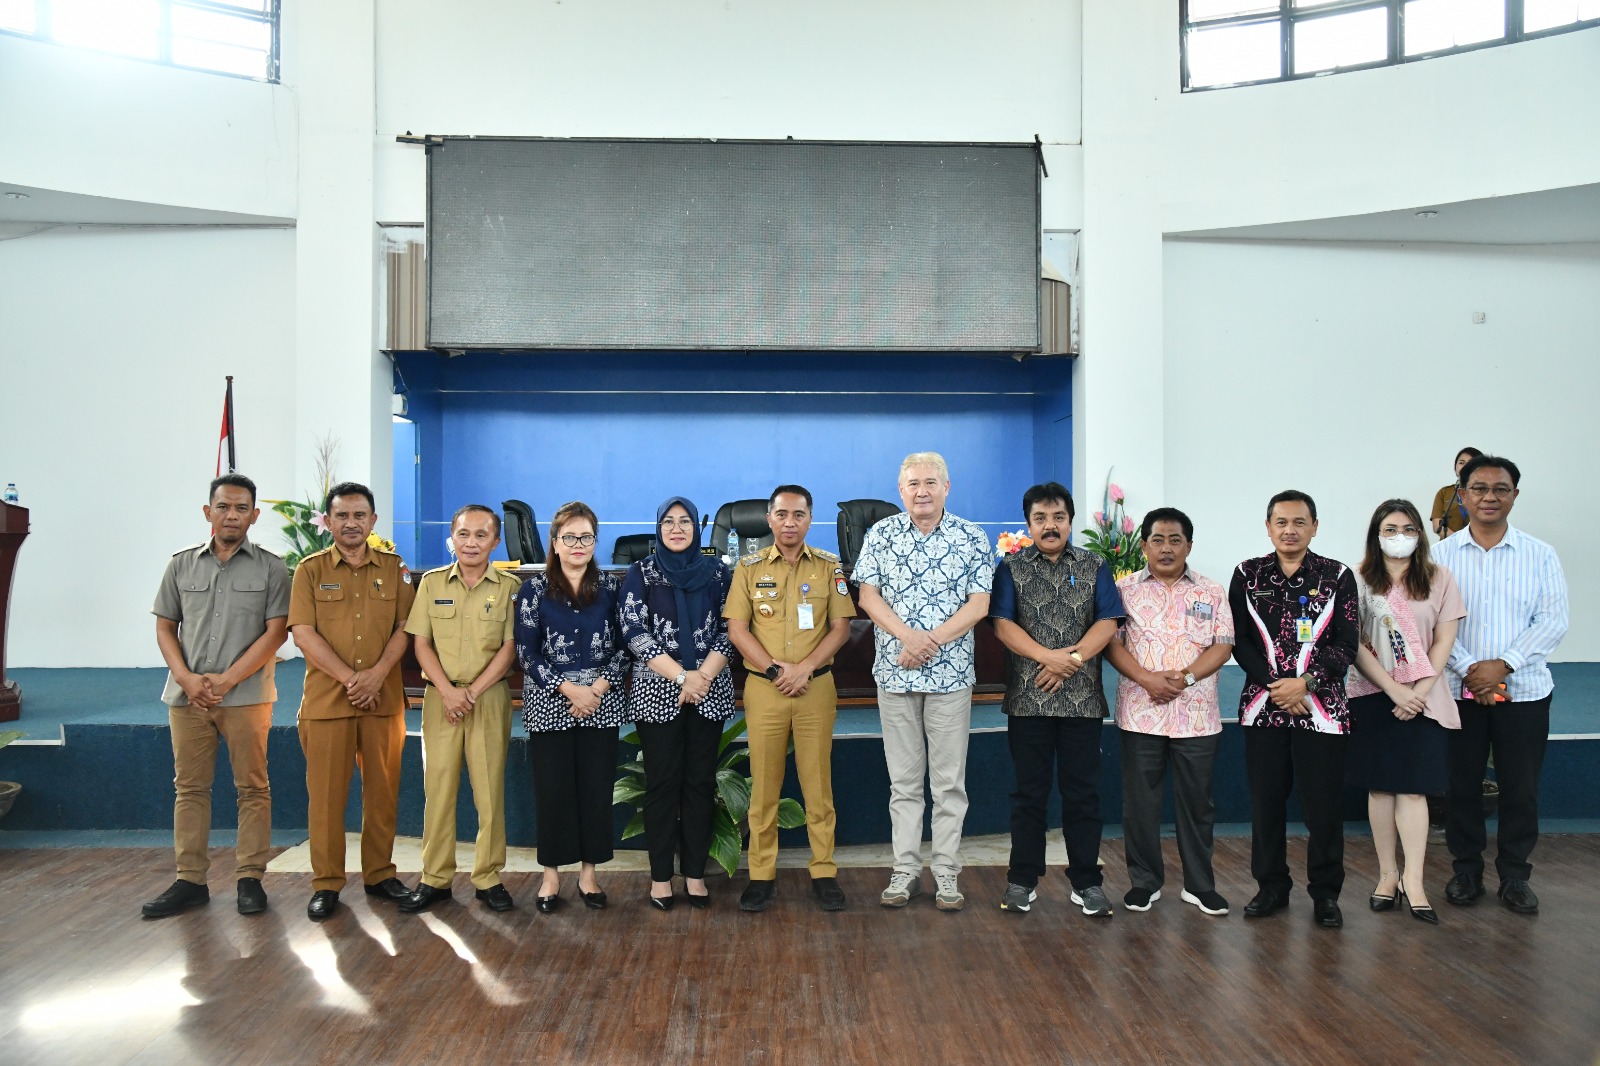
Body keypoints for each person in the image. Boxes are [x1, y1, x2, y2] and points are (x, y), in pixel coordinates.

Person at [142, 474, 290, 919]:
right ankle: (190, 880)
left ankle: (250, 878)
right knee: (189, 788)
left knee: (253, 788)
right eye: (224, 506)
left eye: (241, 508)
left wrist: (226, 681)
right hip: (187, 698)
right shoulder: (181, 565)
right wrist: (186, 678)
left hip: (245, 697)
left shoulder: (272, 567)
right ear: (208, 512)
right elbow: (165, 625)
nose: (232, 515)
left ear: (254, 515)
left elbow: (276, 633)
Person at [854, 452, 994, 911]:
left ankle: (947, 873)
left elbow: (979, 605)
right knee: (905, 782)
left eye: (930, 482)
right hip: (895, 674)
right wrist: (908, 638)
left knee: (949, 782)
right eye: (913, 484)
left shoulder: (971, 536)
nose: (922, 491)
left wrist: (929, 641)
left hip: (951, 677)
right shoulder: (881, 534)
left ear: (947, 487)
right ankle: (905, 870)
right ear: (901, 491)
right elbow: (867, 596)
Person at [1433, 455, 1568, 915]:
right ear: (1463, 494)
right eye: (1479, 488)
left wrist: (1502, 667)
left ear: (1514, 494)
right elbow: (1428, 622)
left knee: (1520, 788)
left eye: (1500, 488)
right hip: (1457, 691)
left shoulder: (1540, 554)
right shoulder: (1439, 556)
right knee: (1462, 786)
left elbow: (1553, 621)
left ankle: (1514, 876)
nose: (1489, 496)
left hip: (1524, 692)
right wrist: (1473, 670)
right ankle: (1466, 871)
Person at [990, 483, 1124, 918]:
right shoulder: (1011, 567)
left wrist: (1075, 658)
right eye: (1041, 519)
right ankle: (1022, 880)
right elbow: (1002, 624)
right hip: (1029, 700)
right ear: (1028, 524)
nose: (1051, 526)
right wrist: (1049, 658)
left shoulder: (1093, 564)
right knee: (1028, 795)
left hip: (1082, 701)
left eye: (1059, 517)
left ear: (1069, 520)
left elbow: (1109, 620)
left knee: (1083, 795)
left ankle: (1087, 882)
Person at [1228, 490, 1359, 929]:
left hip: (1321, 709)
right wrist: (1275, 685)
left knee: (1323, 806)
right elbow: (1241, 641)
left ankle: (1326, 894)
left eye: (1299, 522)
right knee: (1266, 803)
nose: (1290, 530)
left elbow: (1346, 644)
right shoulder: (1247, 574)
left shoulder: (1337, 575)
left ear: (1315, 527)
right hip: (1263, 708)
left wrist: (1305, 683)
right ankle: (1271, 887)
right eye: (1281, 522)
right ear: (1268, 527)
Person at [725, 485, 856, 913]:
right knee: (763, 789)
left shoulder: (829, 568)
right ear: (769, 519)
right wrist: (776, 670)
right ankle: (761, 875)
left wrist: (803, 669)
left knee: (819, 787)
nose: (789, 522)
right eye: (781, 514)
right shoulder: (748, 568)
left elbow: (840, 629)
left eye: (798, 515)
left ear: (809, 519)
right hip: (766, 690)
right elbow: (737, 631)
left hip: (816, 688)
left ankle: (824, 871)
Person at [288, 482, 416, 920]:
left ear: (373, 521)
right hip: (328, 703)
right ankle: (326, 883)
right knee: (325, 798)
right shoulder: (309, 571)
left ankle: (380, 874)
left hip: (383, 701)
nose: (351, 524)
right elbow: (303, 633)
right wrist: (350, 679)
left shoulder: (394, 569)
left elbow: (406, 627)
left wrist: (377, 675)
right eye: (341, 516)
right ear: (327, 521)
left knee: (382, 793)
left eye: (360, 515)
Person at [1104, 507, 1234, 917]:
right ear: (1143, 545)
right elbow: (1111, 644)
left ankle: (1200, 885)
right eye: (1157, 539)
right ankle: (1145, 883)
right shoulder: (1122, 590)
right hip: (1142, 712)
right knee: (1140, 803)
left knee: (1197, 804)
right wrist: (1147, 679)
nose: (1166, 548)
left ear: (1189, 546)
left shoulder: (1211, 591)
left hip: (1196, 715)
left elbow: (1223, 643)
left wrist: (1187, 679)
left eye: (1175, 539)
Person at [1346, 499, 1465, 926]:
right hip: (1374, 693)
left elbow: (1444, 641)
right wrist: (1394, 689)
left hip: (1424, 697)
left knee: (1414, 790)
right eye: (1391, 528)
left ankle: (1414, 881)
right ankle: (1386, 876)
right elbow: (1353, 642)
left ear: (1421, 533)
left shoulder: (1439, 578)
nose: (1400, 535)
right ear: (1376, 533)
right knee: (1380, 789)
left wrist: (1418, 691)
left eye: (1409, 528)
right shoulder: (1357, 579)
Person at [400, 505, 519, 913]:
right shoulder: (431, 584)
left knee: (489, 792)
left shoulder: (507, 587)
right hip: (440, 701)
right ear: (453, 538)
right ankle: (435, 878)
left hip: (488, 699)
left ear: (496, 541)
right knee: (439, 790)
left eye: (481, 535)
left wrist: (470, 694)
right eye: (464, 534)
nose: (472, 543)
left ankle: (488, 878)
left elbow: (509, 649)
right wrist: (449, 692)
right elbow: (421, 645)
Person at [620, 497, 735, 910]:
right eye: (668, 522)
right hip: (658, 689)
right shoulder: (642, 573)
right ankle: (660, 878)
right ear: (658, 528)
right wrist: (683, 676)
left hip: (708, 689)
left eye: (684, 521)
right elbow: (633, 630)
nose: (676, 529)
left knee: (700, 784)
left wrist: (701, 677)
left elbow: (731, 628)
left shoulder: (719, 573)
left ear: (696, 529)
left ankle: (696, 874)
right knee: (663, 784)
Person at [514, 501, 629, 913]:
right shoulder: (533, 590)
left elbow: (625, 647)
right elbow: (526, 653)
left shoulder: (613, 588)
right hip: (550, 702)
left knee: (595, 791)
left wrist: (594, 690)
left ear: (595, 541)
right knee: (554, 791)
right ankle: (550, 877)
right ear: (555, 542)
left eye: (586, 537)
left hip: (602, 701)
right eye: (569, 537)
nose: (578, 544)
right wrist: (569, 690)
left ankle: (589, 875)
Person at [1430, 447, 1482, 538]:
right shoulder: (1444, 493)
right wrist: (1458, 542)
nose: (1465, 467)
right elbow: (1437, 526)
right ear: (1455, 467)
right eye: (1461, 463)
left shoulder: (1486, 494)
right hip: (1449, 547)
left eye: (1470, 463)